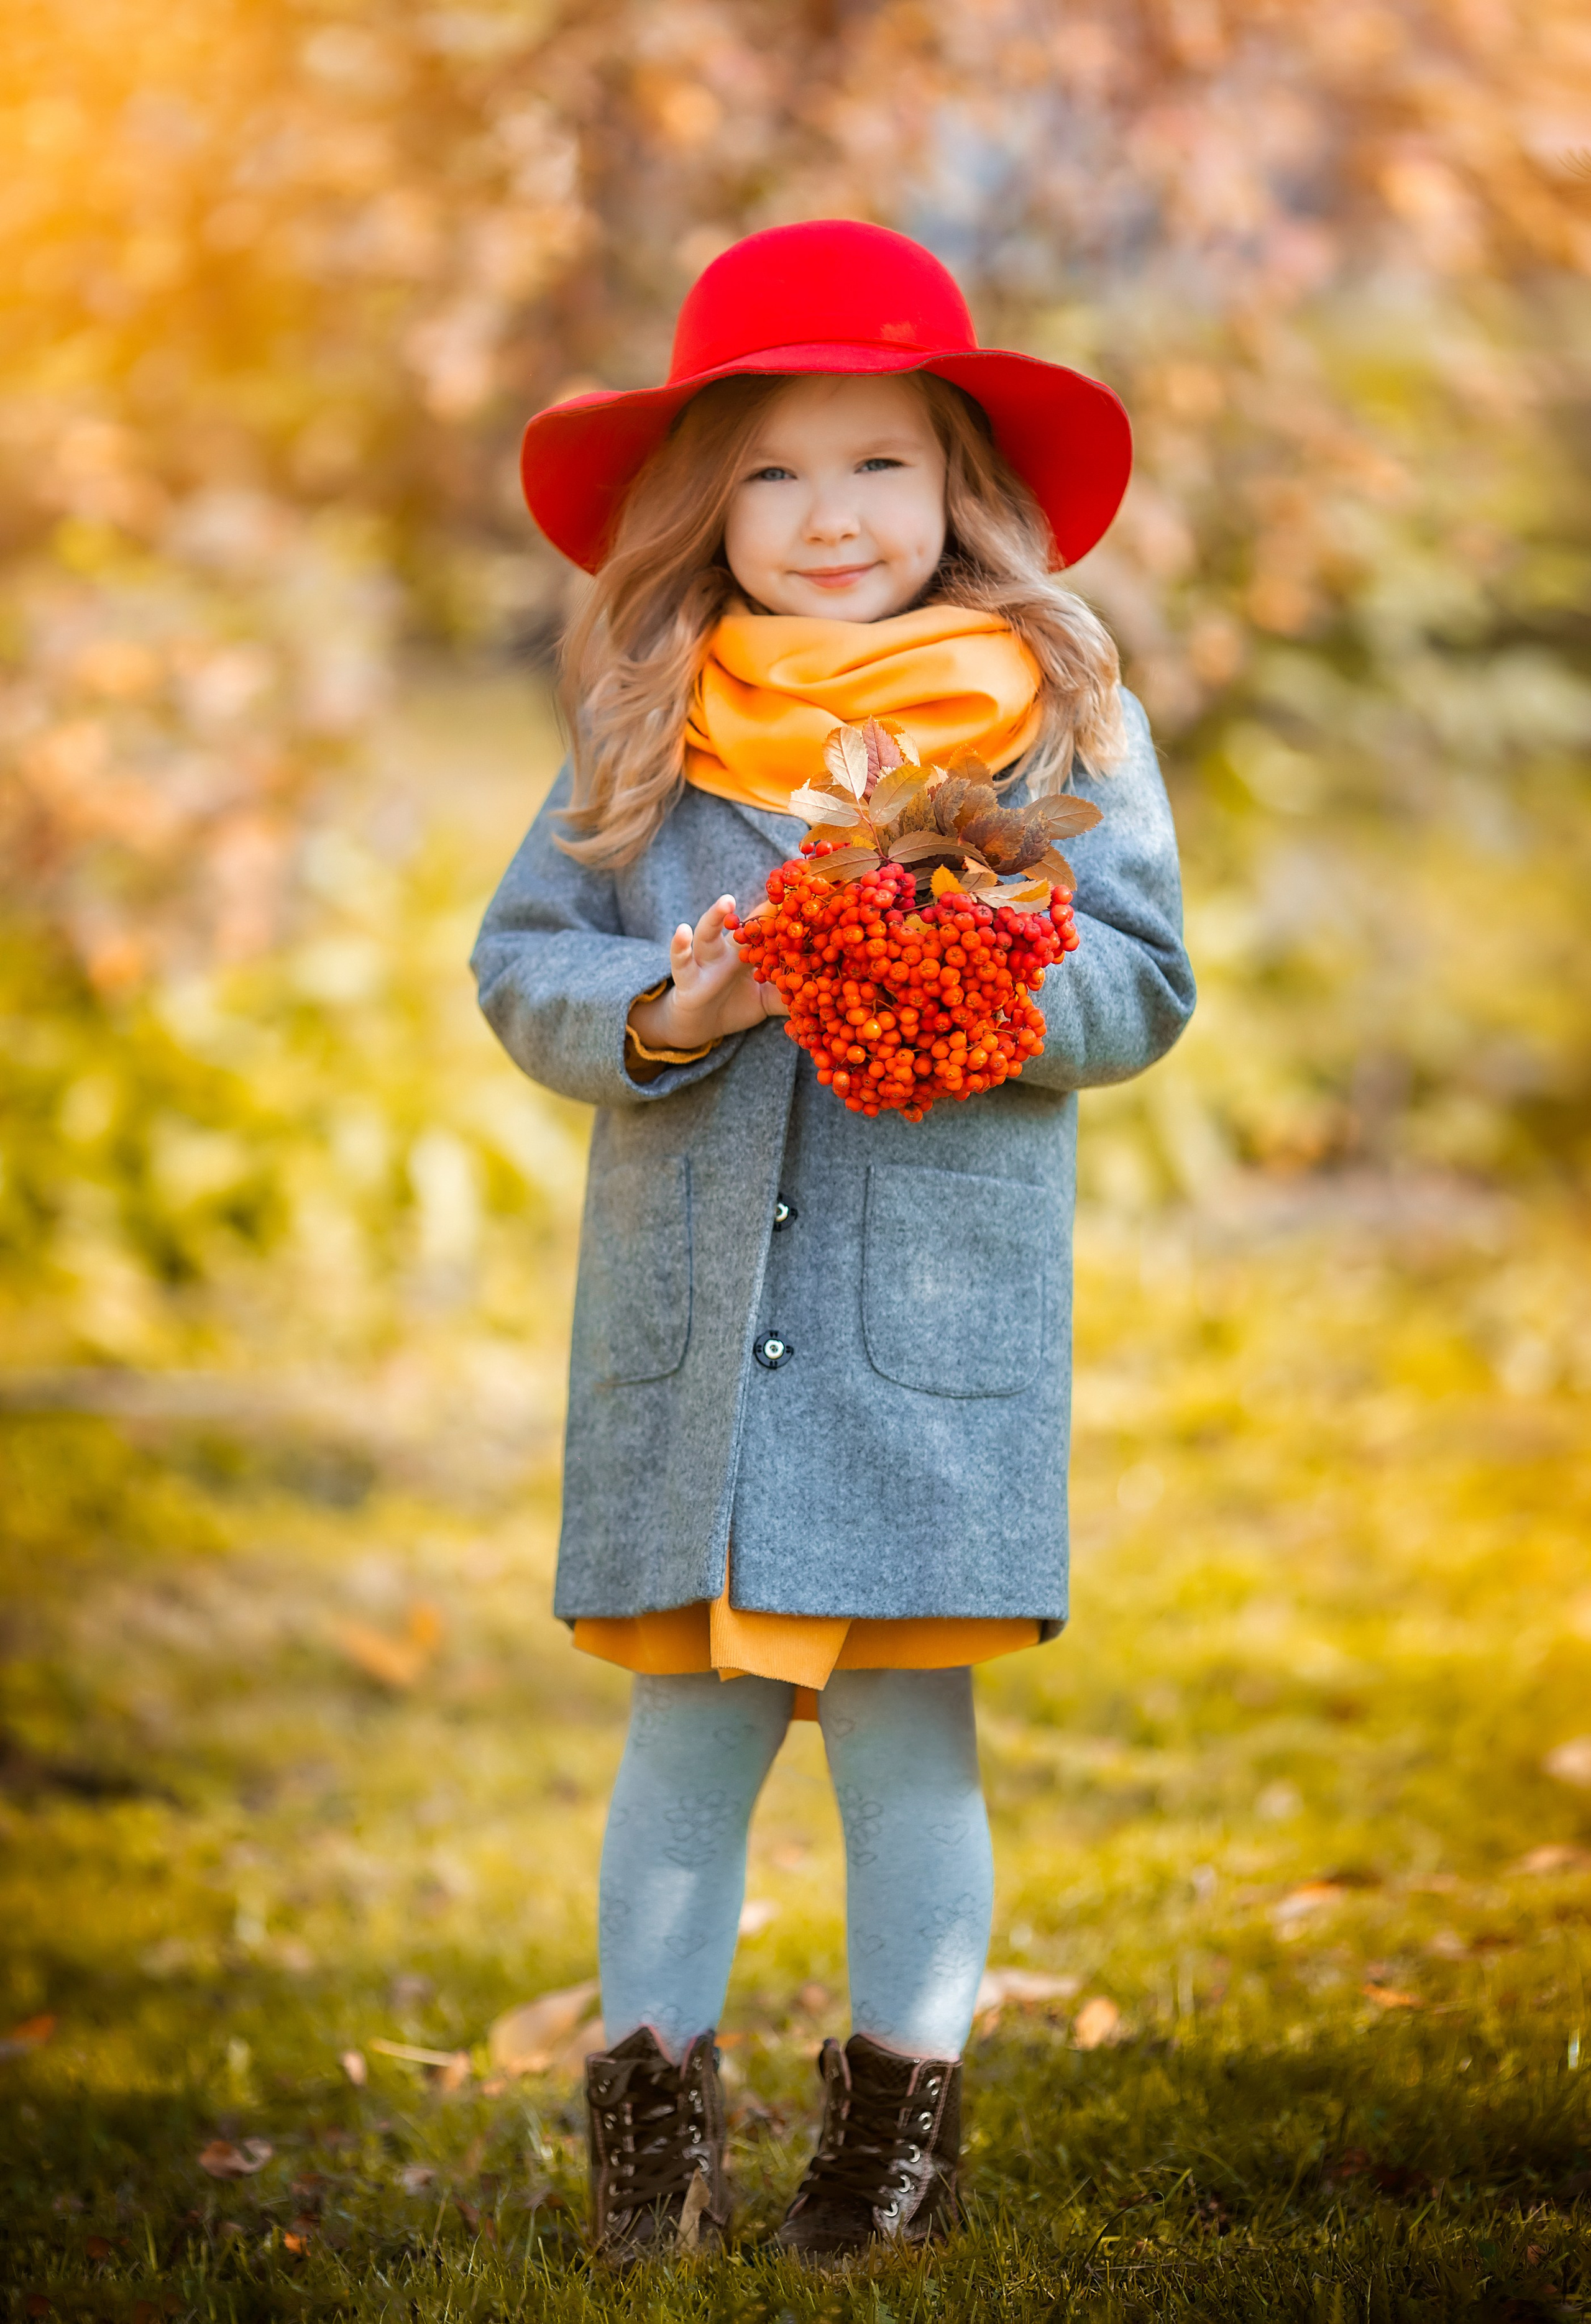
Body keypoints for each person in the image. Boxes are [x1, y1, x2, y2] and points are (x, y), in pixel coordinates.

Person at [472, 218, 1194, 2267]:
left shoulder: (1057, 724)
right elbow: (521, 960)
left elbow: (1142, 984)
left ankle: (895, 2137)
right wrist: (668, 1004)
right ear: (708, 505)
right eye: (774, 472)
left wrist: (968, 967)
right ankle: (651, 2132)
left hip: (919, 1337)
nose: (830, 515)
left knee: (904, 1735)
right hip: (696, 1336)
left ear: (961, 484)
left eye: (880, 462)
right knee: (684, 1735)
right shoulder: (651, 718)